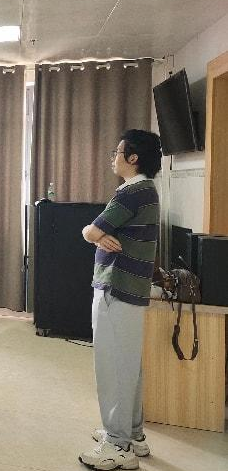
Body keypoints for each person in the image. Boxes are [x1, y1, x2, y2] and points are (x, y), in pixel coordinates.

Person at [79, 130, 162, 471]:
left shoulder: (131, 193)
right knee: (128, 365)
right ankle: (133, 434)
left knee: (113, 366)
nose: (113, 157)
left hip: (116, 286)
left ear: (133, 158)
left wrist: (95, 235)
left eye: (117, 152)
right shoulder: (147, 190)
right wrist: (99, 235)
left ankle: (117, 444)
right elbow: (99, 232)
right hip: (131, 288)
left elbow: (90, 230)